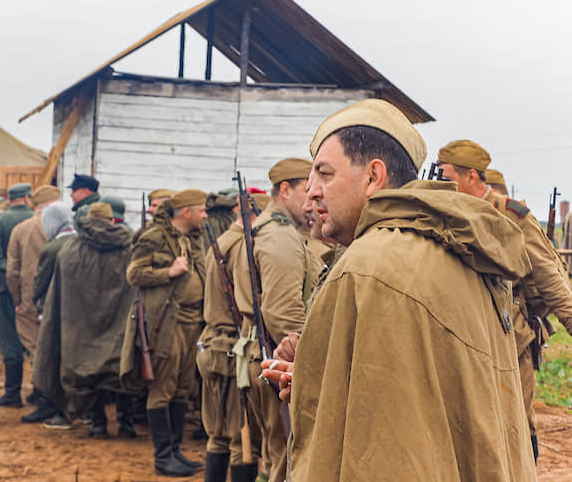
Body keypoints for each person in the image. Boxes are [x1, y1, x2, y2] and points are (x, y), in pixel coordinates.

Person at [262, 99, 536, 480]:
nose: (311, 192)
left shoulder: (366, 267)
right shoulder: (462, 247)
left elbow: (380, 445)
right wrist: (314, 375)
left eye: (325, 174)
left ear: (374, 176)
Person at [437, 139, 572, 462]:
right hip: (466, 331)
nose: (441, 183)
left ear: (471, 177)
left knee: (516, 423)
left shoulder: (512, 215)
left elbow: (548, 275)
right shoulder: (446, 210)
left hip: (513, 335)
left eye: (447, 175)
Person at [232, 158, 321, 482]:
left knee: (274, 456)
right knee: (284, 457)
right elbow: (282, 311)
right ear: (285, 190)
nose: (313, 199)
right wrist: (307, 357)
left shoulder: (266, 230)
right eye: (306, 190)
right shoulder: (280, 236)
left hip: (261, 350)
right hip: (276, 355)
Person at [33, 202, 136, 437]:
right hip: (120, 322)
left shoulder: (70, 250)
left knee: (88, 373)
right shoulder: (130, 248)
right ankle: (126, 423)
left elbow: (60, 291)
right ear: (112, 220)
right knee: (120, 370)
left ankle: (98, 423)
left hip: (80, 324)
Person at [126, 189, 208, 477]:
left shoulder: (194, 238)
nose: (206, 215)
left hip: (191, 321)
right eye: (202, 210)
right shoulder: (154, 236)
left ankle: (174, 450)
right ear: (187, 212)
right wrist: (168, 273)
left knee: (183, 386)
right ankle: (163, 456)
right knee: (163, 387)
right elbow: (134, 274)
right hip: (165, 322)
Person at [197, 192, 269, 482]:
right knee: (242, 441)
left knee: (217, 434)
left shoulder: (224, 241)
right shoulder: (241, 245)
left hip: (213, 343)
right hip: (231, 348)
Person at [23, 201, 77, 425]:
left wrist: (36, 303)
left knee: (48, 358)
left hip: (54, 311)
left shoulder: (53, 248)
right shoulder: (79, 241)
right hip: (77, 311)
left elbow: (40, 282)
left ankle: (47, 404)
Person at [6, 185, 61, 408]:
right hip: (60, 297)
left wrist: (17, 300)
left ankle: (43, 394)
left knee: (36, 347)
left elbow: (12, 271)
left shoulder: (21, 229)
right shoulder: (64, 226)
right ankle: (52, 395)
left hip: (30, 298)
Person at [0, 182, 34, 407]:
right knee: (36, 338)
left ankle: (12, 393)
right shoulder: (38, 219)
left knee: (10, 339)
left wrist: (11, 271)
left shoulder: (0, 220)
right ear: (27, 198)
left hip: (6, 288)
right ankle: (40, 392)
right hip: (36, 288)